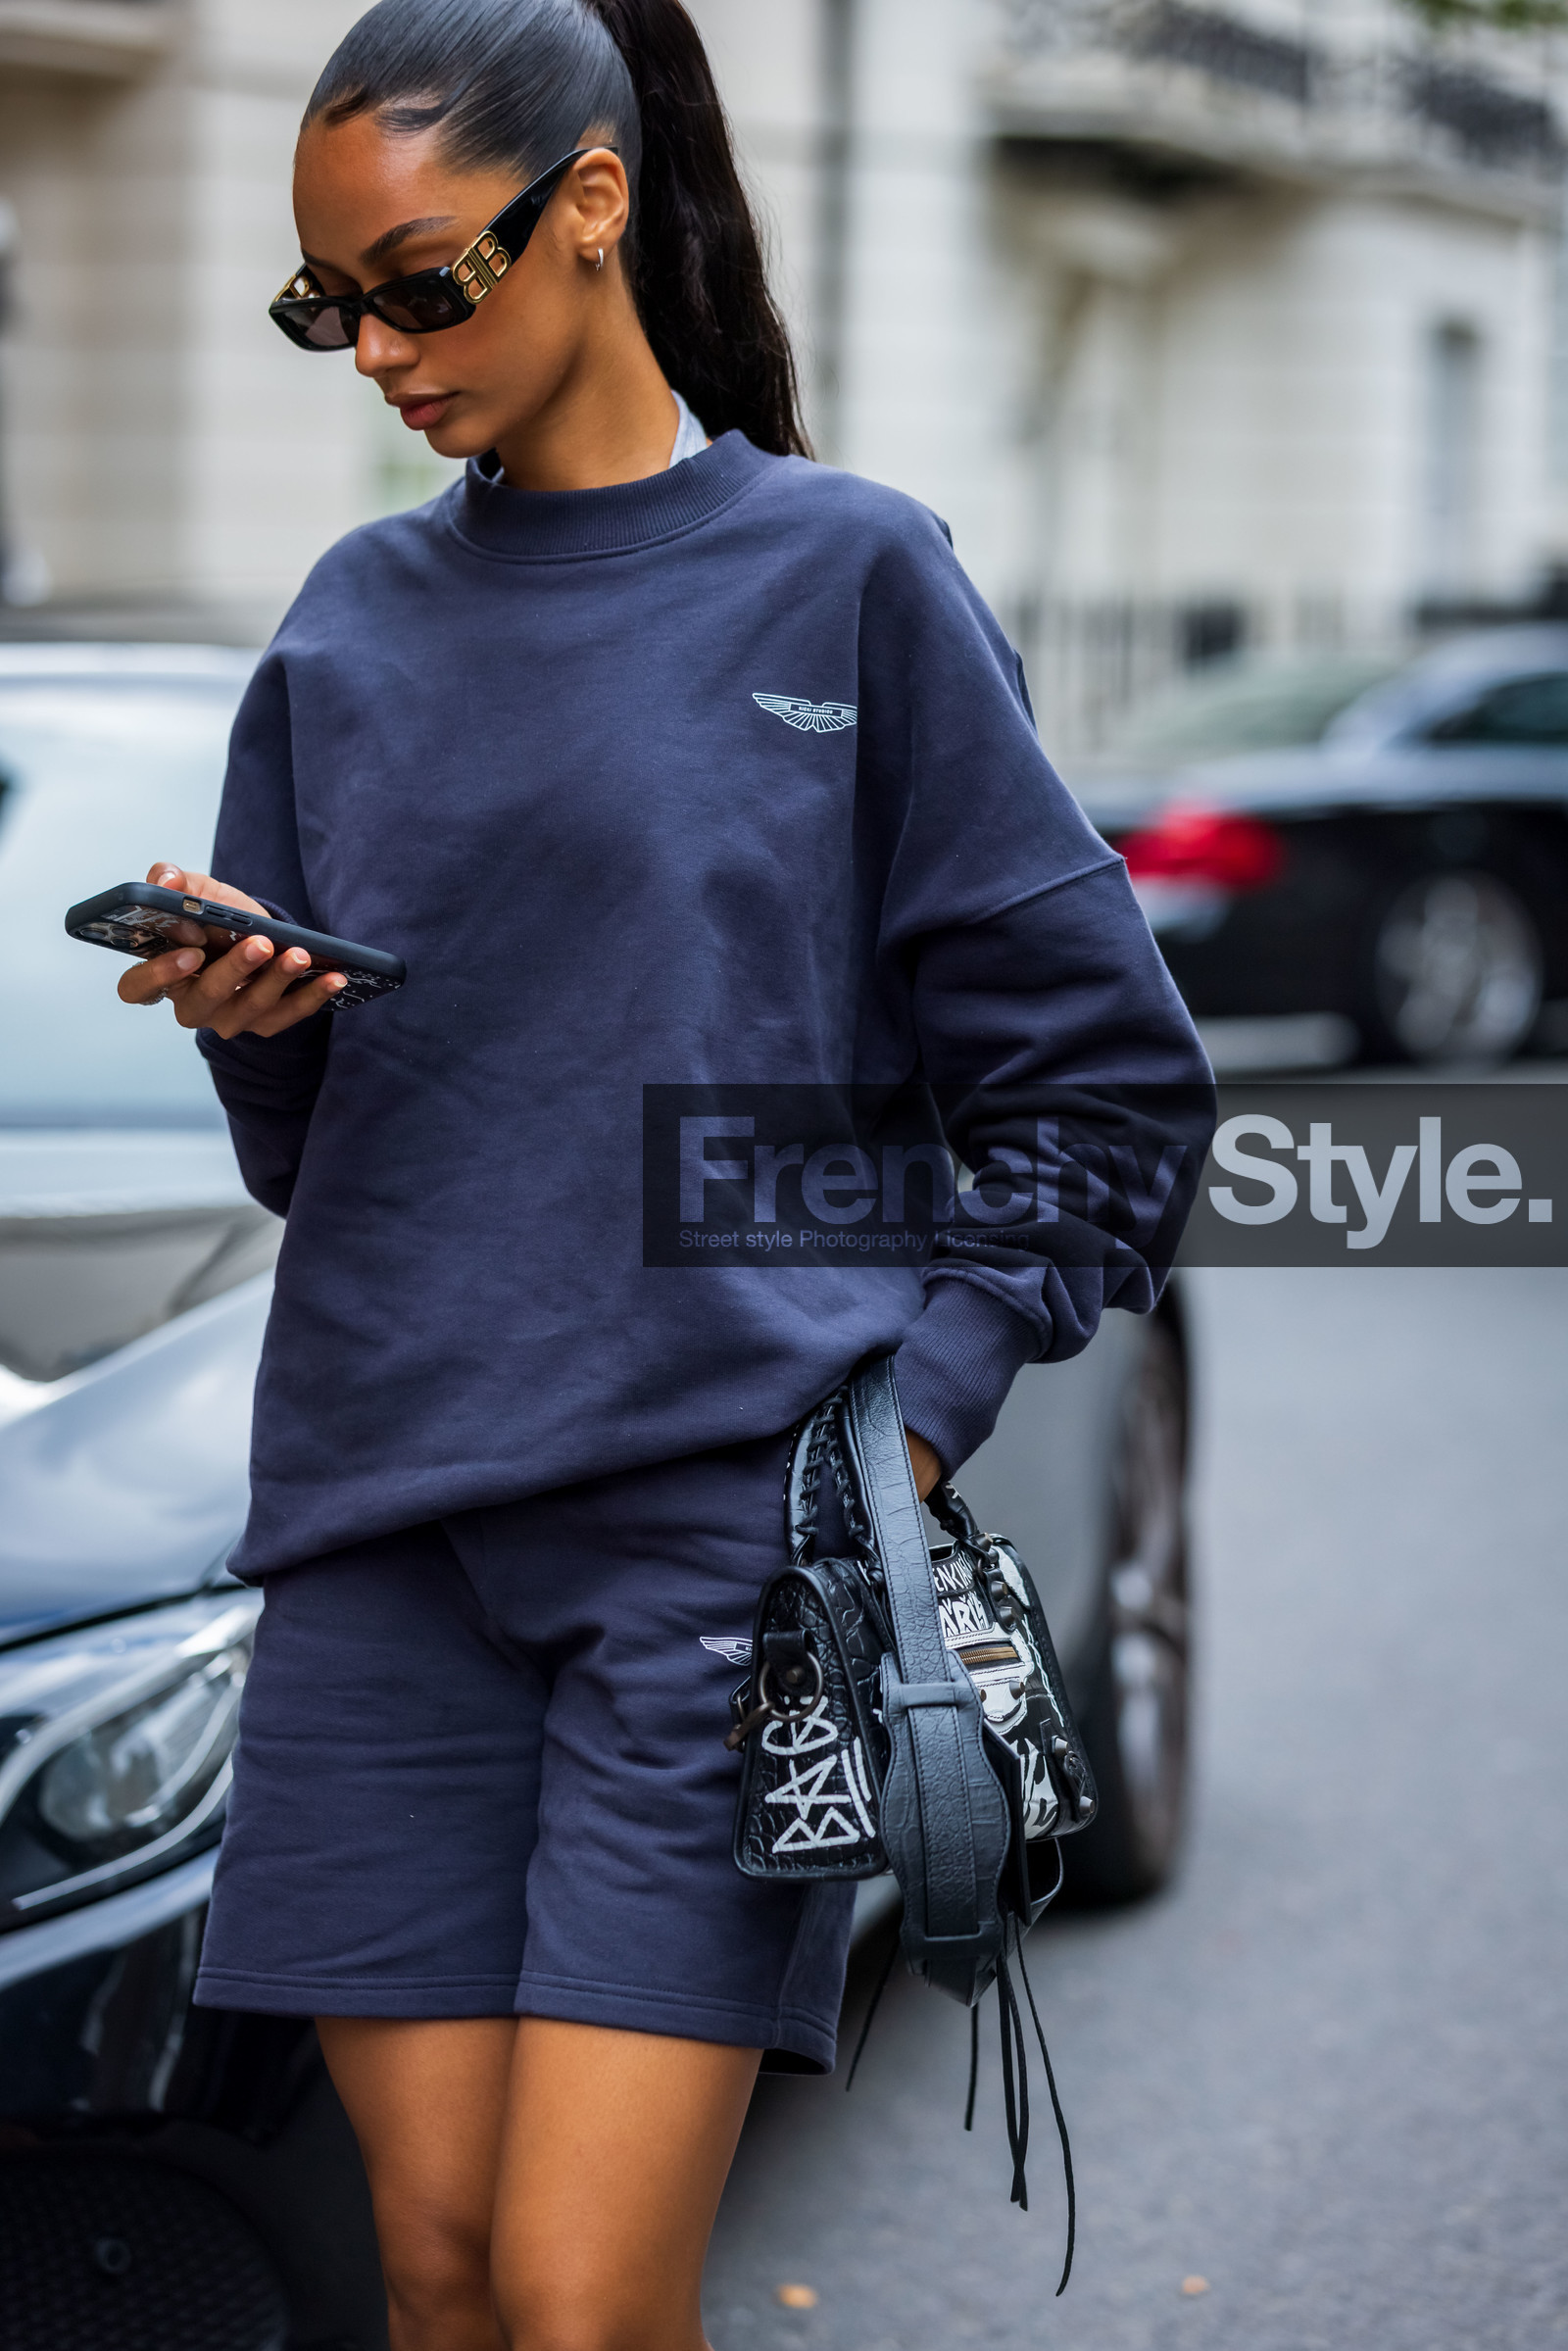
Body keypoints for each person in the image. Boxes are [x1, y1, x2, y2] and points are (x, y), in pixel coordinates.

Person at [114, 3, 1213, 2344]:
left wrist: (903, 1416)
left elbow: (1103, 1084)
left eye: (423, 280)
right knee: (425, 2274)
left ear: (590, 202)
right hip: (379, 1533)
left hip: (706, 1549)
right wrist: (256, 1041)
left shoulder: (842, 580)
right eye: (331, 304)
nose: (378, 352)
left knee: (583, 2296)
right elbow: (344, 1164)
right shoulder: (344, 635)